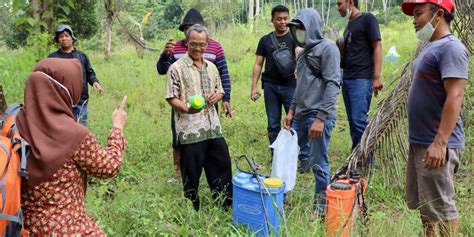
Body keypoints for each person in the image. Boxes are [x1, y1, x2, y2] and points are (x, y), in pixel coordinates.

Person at [18, 58, 128, 236]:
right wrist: (117, 127)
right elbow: (109, 167)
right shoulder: (75, 134)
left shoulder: (13, 124)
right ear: (67, 89)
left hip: (25, 227)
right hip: (69, 227)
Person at [401, 0, 469, 236]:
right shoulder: (431, 46)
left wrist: (440, 142)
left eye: (419, 13)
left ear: (439, 14)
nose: (414, 19)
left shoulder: (451, 48)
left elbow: (456, 94)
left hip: (437, 143)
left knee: (442, 207)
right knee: (426, 206)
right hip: (421, 142)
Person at [157, 9, 232, 179]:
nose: (197, 47)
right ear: (185, 33)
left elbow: (223, 76)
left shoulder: (215, 50)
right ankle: (182, 175)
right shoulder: (175, 50)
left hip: (210, 115)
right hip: (185, 113)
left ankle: (221, 193)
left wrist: (223, 98)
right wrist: (164, 55)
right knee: (183, 147)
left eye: (201, 44)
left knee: (217, 155)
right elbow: (164, 71)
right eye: (188, 28)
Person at [165, 24, 232, 211]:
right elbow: (171, 97)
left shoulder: (212, 67)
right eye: (193, 44)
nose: (197, 48)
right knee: (191, 172)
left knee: (222, 165)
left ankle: (225, 205)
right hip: (189, 129)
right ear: (187, 43)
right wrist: (187, 109)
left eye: (202, 45)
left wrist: (216, 97)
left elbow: (220, 90)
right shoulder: (176, 68)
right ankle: (191, 208)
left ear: (207, 44)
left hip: (213, 127)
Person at [284, 8, 341, 219]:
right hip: (300, 115)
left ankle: (320, 207)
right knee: (287, 155)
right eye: (296, 29)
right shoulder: (303, 53)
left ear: (312, 28)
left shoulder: (328, 49)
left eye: (301, 28)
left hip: (318, 115)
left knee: (318, 162)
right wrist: (291, 110)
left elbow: (334, 84)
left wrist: (321, 118)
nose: (298, 33)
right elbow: (299, 86)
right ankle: (281, 196)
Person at [250, 5, 297, 163]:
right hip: (270, 86)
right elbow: (258, 64)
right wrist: (254, 87)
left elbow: (302, 59)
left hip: (292, 86)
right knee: (273, 123)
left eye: (285, 18)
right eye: (279, 19)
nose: (283, 22)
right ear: (272, 20)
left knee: (294, 121)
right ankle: (275, 156)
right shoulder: (265, 40)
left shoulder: (295, 38)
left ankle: (295, 155)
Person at [336, 0, 383, 153]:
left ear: (350, 2)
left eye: (339, 4)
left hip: (362, 79)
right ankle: (356, 155)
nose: (338, 8)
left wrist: (376, 77)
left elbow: (377, 46)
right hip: (347, 78)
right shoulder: (349, 25)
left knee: (359, 122)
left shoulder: (368, 19)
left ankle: (364, 159)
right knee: (352, 122)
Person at [49, 24, 103, 126]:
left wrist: (95, 82)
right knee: (62, 128)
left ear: (72, 38)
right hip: (60, 101)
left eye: (66, 36)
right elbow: (47, 78)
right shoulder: (52, 58)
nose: (64, 38)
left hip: (80, 100)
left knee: (80, 128)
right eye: (61, 37)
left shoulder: (81, 56)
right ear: (57, 40)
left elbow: (89, 73)